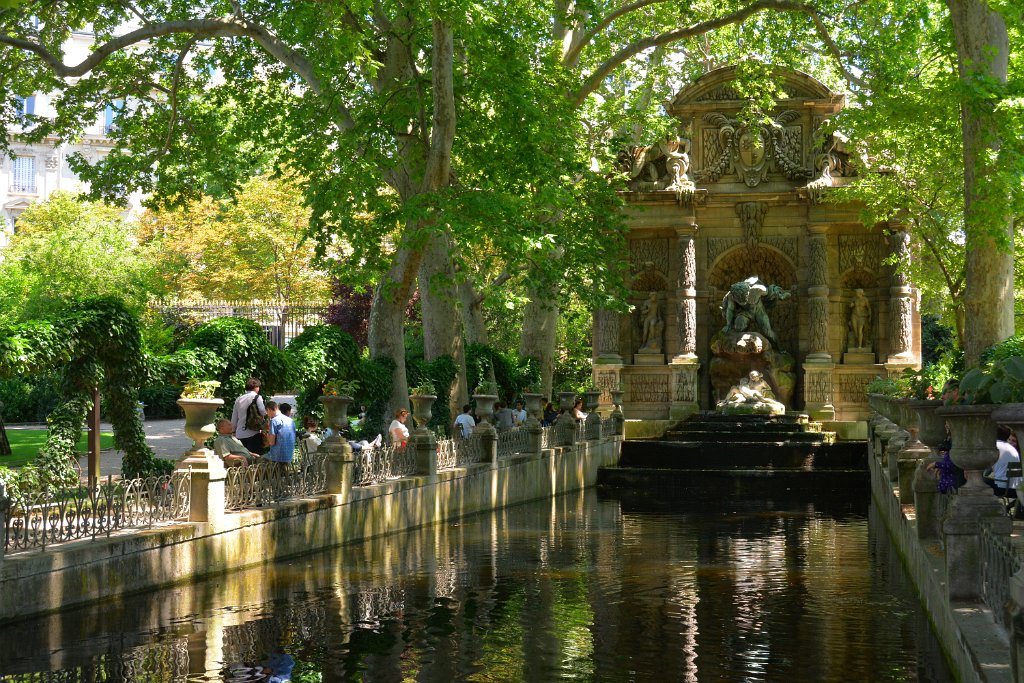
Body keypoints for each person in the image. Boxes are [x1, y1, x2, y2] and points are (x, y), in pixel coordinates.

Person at [231, 377, 267, 455]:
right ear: (256, 387)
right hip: (253, 433)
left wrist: (233, 432)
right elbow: (263, 412)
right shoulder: (257, 397)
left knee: (243, 458)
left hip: (240, 434)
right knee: (255, 458)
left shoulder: (238, 399)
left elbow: (234, 418)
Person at [988, 424, 1021, 500]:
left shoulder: (994, 446)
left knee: (979, 482)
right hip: (1015, 487)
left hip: (1002, 488)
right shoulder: (1012, 449)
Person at [264, 401, 297, 473]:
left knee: (259, 459)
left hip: (277, 456)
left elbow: (271, 442)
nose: (267, 414)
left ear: (269, 409)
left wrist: (267, 437)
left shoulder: (274, 421)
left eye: (267, 411)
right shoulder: (290, 420)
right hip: (289, 455)